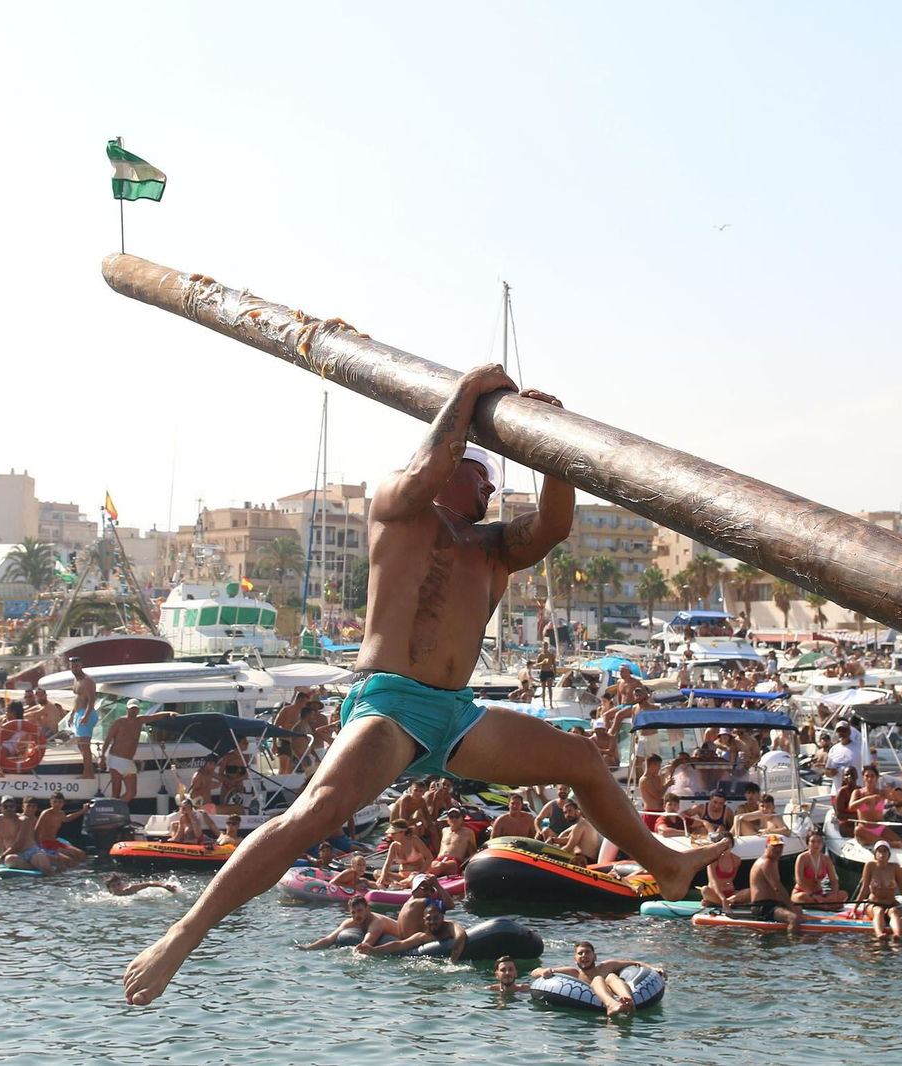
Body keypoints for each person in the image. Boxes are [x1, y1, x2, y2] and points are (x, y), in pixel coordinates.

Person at [121, 370, 727, 1005]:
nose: (492, 491)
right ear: (453, 465)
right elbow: (427, 465)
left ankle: (663, 862)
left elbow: (551, 525)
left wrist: (552, 449)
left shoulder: (494, 547)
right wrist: (469, 391)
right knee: (316, 814)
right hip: (391, 702)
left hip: (458, 715)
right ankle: (182, 937)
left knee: (580, 759)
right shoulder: (398, 507)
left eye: (496, 483)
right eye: (482, 476)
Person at [531, 941, 663, 1017]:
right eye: (580, 953)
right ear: (575, 959)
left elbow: (635, 964)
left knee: (610, 977)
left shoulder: (607, 966)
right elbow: (534, 972)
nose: (584, 956)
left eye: (587, 952)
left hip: (619, 993)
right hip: (598, 1002)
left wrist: (653, 968)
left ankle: (628, 1001)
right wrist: (545, 971)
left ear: (595, 956)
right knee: (598, 980)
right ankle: (612, 1004)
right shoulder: (574, 973)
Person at [356, 875, 466, 961]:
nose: (428, 892)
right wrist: (437, 885)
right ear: (414, 890)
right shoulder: (422, 902)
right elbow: (451, 905)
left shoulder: (408, 903)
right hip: (417, 944)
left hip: (409, 941)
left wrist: (373, 950)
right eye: (424, 888)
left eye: (430, 889)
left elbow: (401, 944)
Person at [100, 698, 174, 802]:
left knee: (132, 793)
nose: (133, 711)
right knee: (116, 792)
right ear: (127, 709)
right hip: (116, 760)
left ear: (138, 710)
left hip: (129, 761)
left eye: (135, 709)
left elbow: (154, 717)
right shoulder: (119, 722)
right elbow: (107, 740)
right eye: (131, 709)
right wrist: (102, 756)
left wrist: (168, 713)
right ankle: (115, 811)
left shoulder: (140, 720)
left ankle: (117, 807)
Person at [298, 896, 399, 951]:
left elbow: (367, 944)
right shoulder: (350, 922)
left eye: (360, 911)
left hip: (404, 937)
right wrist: (308, 948)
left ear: (367, 909)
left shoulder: (376, 922)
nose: (356, 916)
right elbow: (329, 939)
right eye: (353, 912)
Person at [853, 840, 902, 938]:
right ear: (875, 854)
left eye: (885, 851)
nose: (882, 854)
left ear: (889, 854)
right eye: (879, 851)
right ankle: (879, 933)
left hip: (891, 904)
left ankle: (897, 935)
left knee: (894, 912)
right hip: (874, 904)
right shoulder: (870, 866)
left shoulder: (895, 868)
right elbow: (864, 889)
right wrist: (854, 910)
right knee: (879, 911)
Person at [34, 792, 89, 868]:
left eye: (60, 802)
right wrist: (38, 847)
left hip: (55, 842)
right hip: (45, 843)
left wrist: (82, 811)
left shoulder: (61, 813)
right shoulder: (46, 813)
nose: (57, 804)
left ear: (63, 803)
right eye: (55, 802)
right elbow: (36, 830)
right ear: (51, 802)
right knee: (70, 859)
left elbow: (67, 819)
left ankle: (80, 874)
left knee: (82, 854)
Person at [791, 830, 846, 905]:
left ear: (822, 844)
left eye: (819, 842)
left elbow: (834, 880)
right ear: (808, 843)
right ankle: (824, 906)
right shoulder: (802, 858)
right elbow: (799, 880)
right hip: (805, 893)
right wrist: (812, 895)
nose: (816, 844)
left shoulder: (826, 859)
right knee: (803, 897)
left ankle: (820, 904)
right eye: (813, 842)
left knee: (843, 894)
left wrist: (834, 894)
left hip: (819, 893)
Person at [66, 657, 99, 778]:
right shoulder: (76, 680)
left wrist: (86, 715)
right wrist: (72, 714)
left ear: (81, 665)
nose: (74, 668)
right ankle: (89, 769)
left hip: (87, 714)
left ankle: (88, 773)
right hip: (79, 713)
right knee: (80, 745)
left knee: (85, 745)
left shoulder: (87, 680)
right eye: (72, 666)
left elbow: (91, 699)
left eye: (76, 666)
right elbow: (77, 699)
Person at [381, 819, 434, 885]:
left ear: (402, 832)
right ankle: (400, 884)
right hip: (401, 876)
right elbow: (387, 863)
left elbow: (429, 857)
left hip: (415, 876)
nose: (392, 836)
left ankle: (399, 884)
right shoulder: (394, 845)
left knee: (413, 877)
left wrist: (420, 873)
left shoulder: (414, 840)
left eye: (394, 833)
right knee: (377, 873)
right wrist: (382, 877)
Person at [427, 808, 477, 876]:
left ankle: (424, 877)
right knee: (429, 865)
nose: (454, 819)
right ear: (447, 820)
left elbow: (473, 852)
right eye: (451, 817)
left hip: (454, 862)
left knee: (441, 865)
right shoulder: (444, 830)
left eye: (457, 816)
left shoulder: (468, 832)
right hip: (439, 859)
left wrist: (469, 868)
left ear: (461, 819)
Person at [105, 874, 179, 896]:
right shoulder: (107, 897)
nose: (117, 887)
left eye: (118, 884)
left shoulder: (130, 889)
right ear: (109, 890)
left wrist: (164, 886)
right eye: (113, 886)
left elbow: (149, 883)